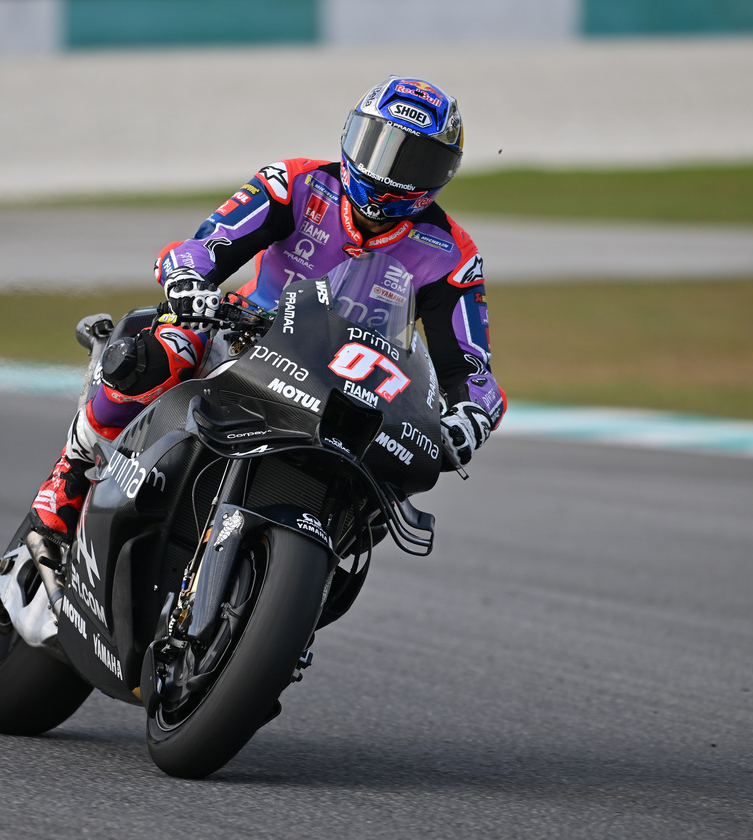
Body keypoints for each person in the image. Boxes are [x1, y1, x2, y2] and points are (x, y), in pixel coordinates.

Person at [28, 76, 504, 551]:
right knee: (170, 345)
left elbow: (472, 372)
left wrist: (469, 418)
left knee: (388, 486)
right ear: (351, 134)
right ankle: (72, 470)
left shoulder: (453, 256)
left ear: (443, 172)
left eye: (414, 160)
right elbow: (206, 245)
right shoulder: (294, 183)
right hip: (246, 337)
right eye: (379, 146)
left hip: (349, 384)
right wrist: (188, 280)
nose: (389, 172)